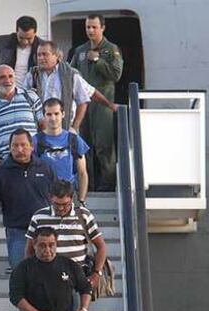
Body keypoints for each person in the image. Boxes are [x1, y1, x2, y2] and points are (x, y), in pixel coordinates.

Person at [0, 129, 55, 270]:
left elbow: (57, 196)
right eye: (15, 145)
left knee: (49, 274)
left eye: (23, 145)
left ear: (32, 146)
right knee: (21, 274)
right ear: (10, 148)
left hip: (44, 231)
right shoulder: (2, 172)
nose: (19, 149)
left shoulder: (45, 168)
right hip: (17, 231)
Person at [9, 226, 92, 311]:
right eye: (42, 245)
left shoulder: (69, 265)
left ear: (56, 244)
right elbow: (16, 296)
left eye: (51, 245)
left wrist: (83, 310)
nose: (47, 250)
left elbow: (85, 288)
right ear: (34, 245)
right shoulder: (23, 268)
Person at [71, 14, 123, 191]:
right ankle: (89, 185)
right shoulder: (80, 51)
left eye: (94, 27)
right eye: (87, 27)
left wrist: (98, 61)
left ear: (102, 28)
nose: (90, 30)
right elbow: (72, 74)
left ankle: (107, 185)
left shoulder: (111, 49)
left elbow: (116, 75)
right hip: (83, 105)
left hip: (103, 105)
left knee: (104, 146)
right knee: (84, 146)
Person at [25, 180, 107, 291]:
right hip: (46, 277)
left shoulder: (84, 216)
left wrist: (97, 273)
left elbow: (101, 246)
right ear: (50, 198)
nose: (60, 208)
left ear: (72, 198)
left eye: (65, 204)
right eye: (56, 204)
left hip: (76, 277)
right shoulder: (39, 217)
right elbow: (29, 250)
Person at [23, 41, 117, 132]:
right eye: (39, 55)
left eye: (45, 54)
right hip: (39, 130)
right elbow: (23, 100)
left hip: (65, 128)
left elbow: (83, 100)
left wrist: (74, 128)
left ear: (56, 56)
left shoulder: (70, 74)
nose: (41, 58)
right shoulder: (33, 75)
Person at [0, 65, 44, 169]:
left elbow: (43, 127)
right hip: (6, 164)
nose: (7, 80)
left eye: (10, 76)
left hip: (33, 161)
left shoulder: (31, 97)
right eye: (2, 77)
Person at [33, 98, 89, 201]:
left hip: (69, 196)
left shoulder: (74, 140)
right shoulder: (35, 141)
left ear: (63, 114)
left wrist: (81, 201)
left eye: (56, 113)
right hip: (44, 197)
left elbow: (82, 173)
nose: (53, 118)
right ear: (43, 116)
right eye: (49, 114)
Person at [0, 16, 43, 90]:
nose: (25, 42)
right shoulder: (1, 43)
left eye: (29, 38)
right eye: (21, 38)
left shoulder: (42, 47)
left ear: (35, 33)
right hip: (4, 91)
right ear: (16, 31)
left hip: (31, 93)